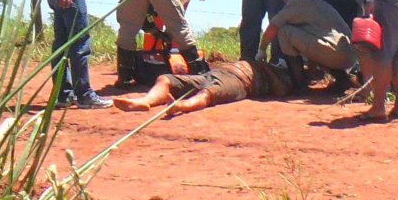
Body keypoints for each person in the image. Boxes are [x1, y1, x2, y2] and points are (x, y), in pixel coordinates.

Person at [115, 0, 209, 87]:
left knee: (127, 29)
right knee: (180, 27)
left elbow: (136, 11)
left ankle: (124, 77)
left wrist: (155, 31)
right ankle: (198, 74)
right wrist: (171, 29)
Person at [255, 0, 357, 93]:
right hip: (349, 55)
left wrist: (261, 50)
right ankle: (342, 79)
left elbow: (273, 27)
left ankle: (299, 86)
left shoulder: (297, 1)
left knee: (284, 31)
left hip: (335, 53)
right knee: (321, 39)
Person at [112, 60, 292, 116]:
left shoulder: (280, 79)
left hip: (239, 81)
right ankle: (145, 101)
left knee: (208, 93)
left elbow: (281, 91)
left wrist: (269, 69)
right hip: (213, 73)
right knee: (165, 78)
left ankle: (180, 106)